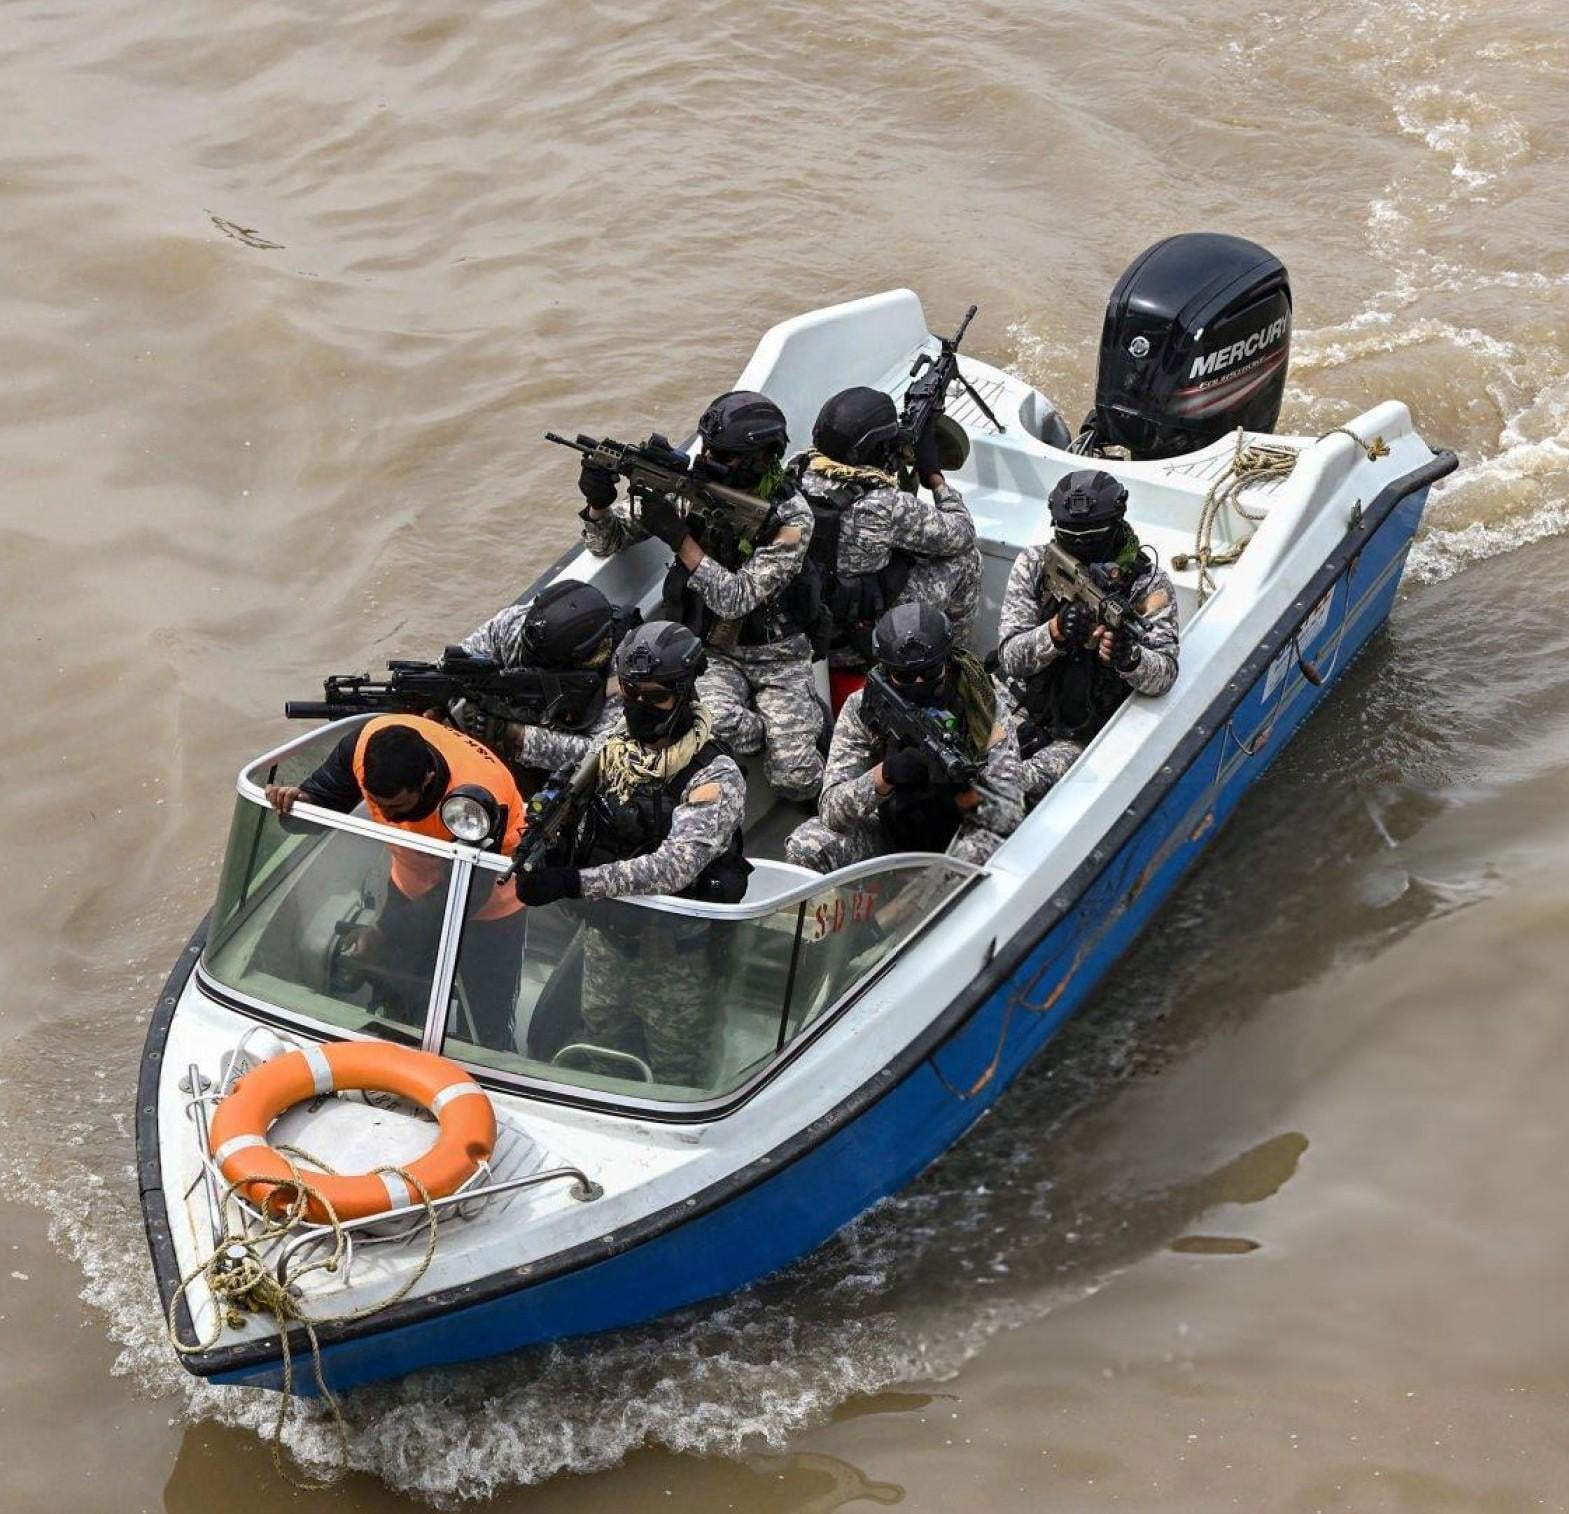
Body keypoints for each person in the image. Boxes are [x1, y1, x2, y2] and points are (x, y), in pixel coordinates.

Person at [512, 620, 749, 1088]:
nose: (639, 709)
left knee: (678, 1074)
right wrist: (547, 842)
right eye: (631, 694)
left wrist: (577, 882)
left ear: (683, 696)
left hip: (677, 958)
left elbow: (673, 868)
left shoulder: (714, 777)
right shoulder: (614, 747)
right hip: (607, 944)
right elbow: (573, 781)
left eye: (655, 698)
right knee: (603, 1049)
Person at [577, 390, 825, 803]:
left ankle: (798, 725)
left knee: (795, 777)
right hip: (714, 651)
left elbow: (737, 597)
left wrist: (680, 538)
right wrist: (598, 506)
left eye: (723, 455)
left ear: (762, 458)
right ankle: (769, 727)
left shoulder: (791, 516)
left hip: (778, 656)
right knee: (713, 721)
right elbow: (607, 543)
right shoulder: (689, 488)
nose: (708, 458)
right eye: (707, 447)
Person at [265, 715, 526, 1044]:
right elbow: (321, 802)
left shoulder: (480, 796)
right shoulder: (364, 747)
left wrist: (382, 931)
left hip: (490, 905)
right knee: (397, 997)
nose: (387, 817)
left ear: (428, 779)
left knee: (489, 1018)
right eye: (376, 803)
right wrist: (295, 806)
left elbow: (463, 896)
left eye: (398, 806)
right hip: (410, 884)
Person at [785, 603, 1022, 873]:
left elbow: (1007, 811)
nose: (919, 682)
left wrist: (963, 791)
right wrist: (883, 776)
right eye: (905, 676)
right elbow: (831, 810)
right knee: (807, 844)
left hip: (959, 835)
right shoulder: (863, 707)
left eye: (931, 672)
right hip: (890, 829)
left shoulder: (983, 708)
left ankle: (923, 906)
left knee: (980, 849)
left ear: (946, 662)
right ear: (886, 671)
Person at [996, 469, 1180, 805]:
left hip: (1084, 733)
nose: (1080, 544)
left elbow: (1165, 673)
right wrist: (1055, 632)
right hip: (1020, 704)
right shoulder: (1035, 565)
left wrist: (1131, 659)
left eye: (1091, 535)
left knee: (1009, 784)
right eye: (1070, 535)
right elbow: (1010, 658)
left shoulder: (1148, 586)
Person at [787, 386, 981, 693]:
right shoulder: (883, 505)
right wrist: (934, 478)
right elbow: (963, 533)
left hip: (810, 629)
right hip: (860, 641)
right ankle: (951, 666)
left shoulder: (796, 472)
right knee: (966, 561)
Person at [458, 577, 636, 776]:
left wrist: (516, 735)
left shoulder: (625, 672)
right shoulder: (513, 626)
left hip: (565, 770)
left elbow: (606, 756)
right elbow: (463, 660)